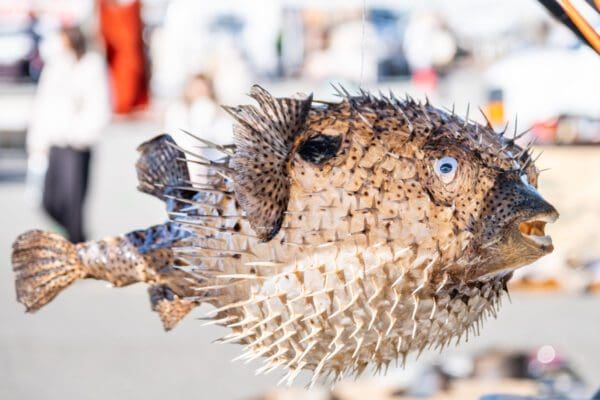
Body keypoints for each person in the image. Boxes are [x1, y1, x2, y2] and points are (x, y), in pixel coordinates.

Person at [27, 26, 111, 243]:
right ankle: (73, 238)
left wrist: (82, 133)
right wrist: (38, 138)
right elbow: (43, 104)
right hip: (54, 141)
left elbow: (99, 103)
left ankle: (76, 246)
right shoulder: (55, 66)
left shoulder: (91, 65)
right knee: (49, 200)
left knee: (74, 202)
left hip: (77, 144)